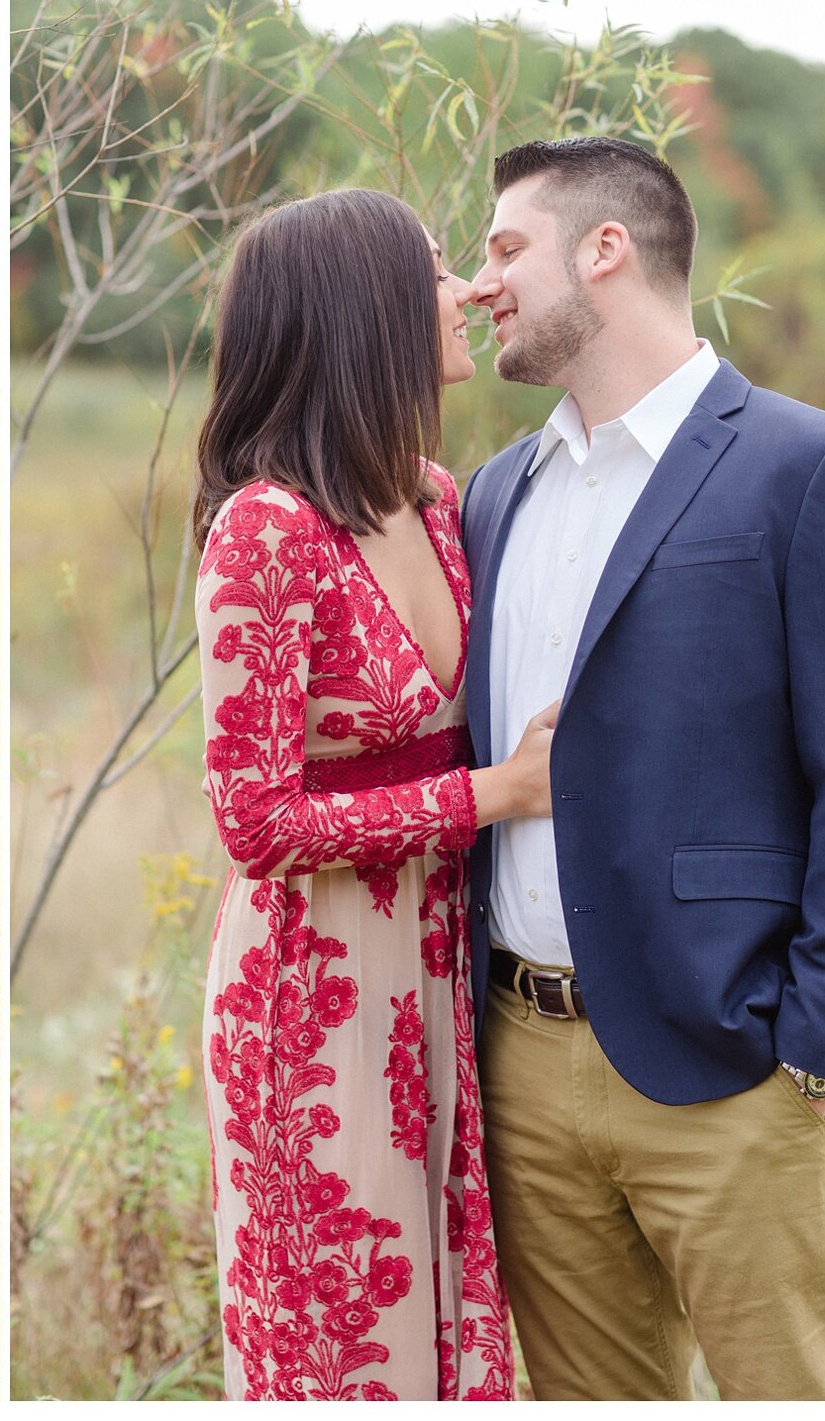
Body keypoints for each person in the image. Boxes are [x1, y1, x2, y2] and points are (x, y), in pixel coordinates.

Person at [459, 137, 825, 1400]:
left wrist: (814, 1042)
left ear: (603, 250)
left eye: (505, 248)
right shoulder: (492, 495)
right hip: (518, 1064)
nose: (478, 280)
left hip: (733, 1073)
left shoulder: (805, 467)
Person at [193, 187, 558, 1400]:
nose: (463, 292)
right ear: (365, 311)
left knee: (450, 1326)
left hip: (438, 970)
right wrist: (491, 796)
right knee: (347, 1344)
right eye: (437, 269)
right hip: (312, 995)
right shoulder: (266, 529)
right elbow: (255, 822)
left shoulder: (438, 500)